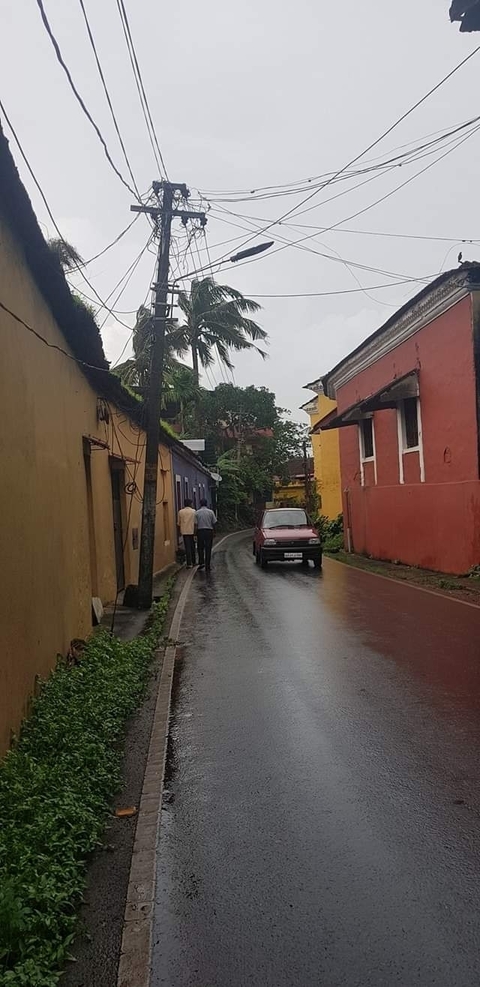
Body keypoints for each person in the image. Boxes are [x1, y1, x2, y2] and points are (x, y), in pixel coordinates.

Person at [196, 499, 217, 571]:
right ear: (206, 504)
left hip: (200, 531)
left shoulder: (197, 512)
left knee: (200, 548)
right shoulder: (211, 512)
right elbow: (214, 523)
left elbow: (195, 524)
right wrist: (214, 532)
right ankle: (207, 565)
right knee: (208, 548)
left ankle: (201, 562)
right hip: (209, 531)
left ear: (200, 504)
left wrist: (195, 533)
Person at [177, 498, 196, 568]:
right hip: (192, 531)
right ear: (190, 504)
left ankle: (189, 563)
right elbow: (195, 522)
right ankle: (194, 561)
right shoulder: (194, 511)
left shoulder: (180, 512)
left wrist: (179, 532)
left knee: (187, 547)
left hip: (184, 531)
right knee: (192, 546)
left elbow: (178, 523)